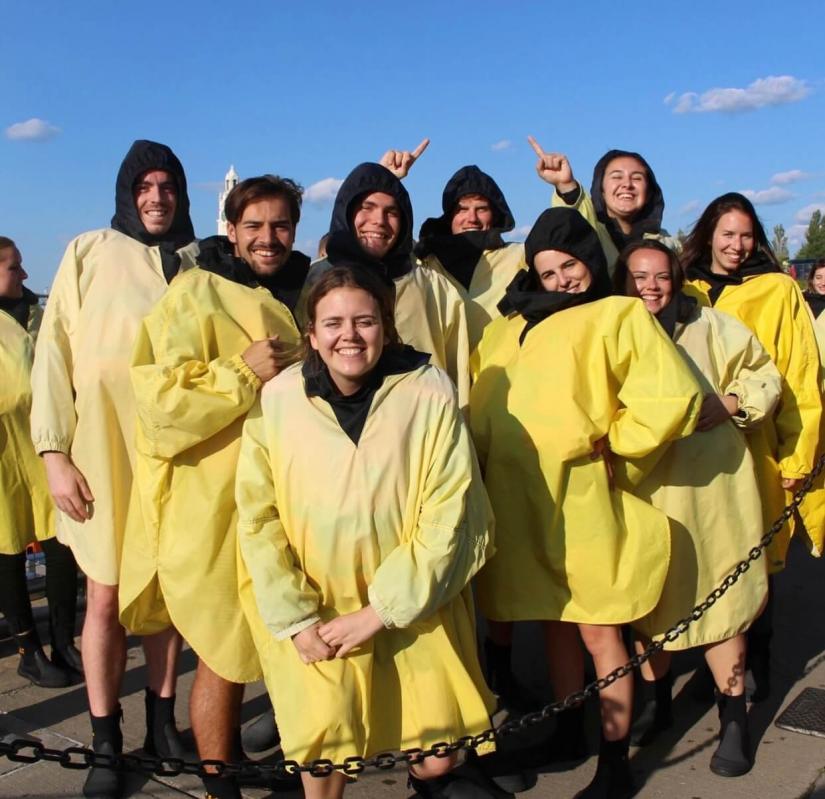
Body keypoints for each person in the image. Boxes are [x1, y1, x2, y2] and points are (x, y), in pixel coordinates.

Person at [236, 263, 497, 799]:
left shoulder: (427, 390)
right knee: (324, 756)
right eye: (332, 324)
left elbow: (448, 511)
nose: (349, 336)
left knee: (436, 754)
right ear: (311, 333)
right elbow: (257, 514)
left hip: (415, 600)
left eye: (364, 321)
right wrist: (296, 615)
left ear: (387, 326)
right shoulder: (281, 397)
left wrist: (382, 610)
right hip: (320, 610)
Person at [470, 207, 702, 798]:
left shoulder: (616, 314)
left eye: (570, 264)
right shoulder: (506, 327)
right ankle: (569, 730)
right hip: (519, 500)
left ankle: (616, 761)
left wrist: (616, 444)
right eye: (547, 270)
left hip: (583, 500)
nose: (562, 279)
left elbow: (669, 395)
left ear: (591, 261)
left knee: (601, 630)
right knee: (554, 622)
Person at [120, 175, 306, 799]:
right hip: (216, 503)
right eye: (253, 226)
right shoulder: (193, 293)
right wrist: (240, 372)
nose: (267, 238)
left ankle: (290, 760)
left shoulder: (309, 290)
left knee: (293, 639)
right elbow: (159, 402)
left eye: (280, 225)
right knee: (223, 653)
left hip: (295, 495)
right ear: (231, 229)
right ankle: (218, 781)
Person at [30, 140, 193, 798]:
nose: (157, 196)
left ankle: (162, 726)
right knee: (102, 597)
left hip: (173, 459)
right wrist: (53, 452)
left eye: (168, 185)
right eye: (145, 185)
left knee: (164, 600)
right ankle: (105, 737)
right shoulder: (87, 252)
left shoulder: (197, 263)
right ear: (129, 191)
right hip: (99, 454)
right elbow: (54, 354)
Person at [614, 239, 780, 775]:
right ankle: (658, 703)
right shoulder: (610, 330)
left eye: (661, 275)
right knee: (649, 601)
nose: (652, 287)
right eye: (639, 277)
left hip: (714, 489)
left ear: (676, 278)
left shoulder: (712, 325)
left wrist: (732, 401)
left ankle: (734, 718)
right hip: (644, 490)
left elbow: (764, 373)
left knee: (721, 598)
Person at [682, 193, 823, 700]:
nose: (737, 245)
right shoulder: (685, 288)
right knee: (708, 555)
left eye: (746, 235)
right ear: (708, 235)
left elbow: (801, 374)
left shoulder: (778, 291)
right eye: (727, 235)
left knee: (756, 558)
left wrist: (799, 455)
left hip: (754, 444)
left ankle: (755, 656)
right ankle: (717, 660)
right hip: (694, 451)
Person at [300, 161, 471, 408]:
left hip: (420, 422)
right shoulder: (312, 281)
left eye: (391, 212)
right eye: (366, 208)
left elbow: (457, 371)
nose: (379, 220)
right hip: (328, 425)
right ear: (347, 211)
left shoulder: (434, 286)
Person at [0, 238, 81, 688]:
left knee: (61, 544)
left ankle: (65, 640)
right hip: (4, 454)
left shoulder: (36, 315)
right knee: (8, 551)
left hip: (48, 449)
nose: (25, 276)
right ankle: (28, 648)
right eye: (15, 268)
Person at [412, 163, 526, 351]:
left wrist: (567, 191)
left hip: (502, 376)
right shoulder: (424, 264)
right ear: (449, 217)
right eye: (462, 209)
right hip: (442, 376)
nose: (471, 218)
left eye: (481, 209)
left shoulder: (519, 257)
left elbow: (574, 250)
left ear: (495, 215)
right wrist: (388, 178)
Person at [528, 136, 676, 270]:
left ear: (649, 192)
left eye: (637, 178)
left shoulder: (668, 247)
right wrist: (565, 185)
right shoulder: (590, 235)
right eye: (617, 177)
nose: (627, 184)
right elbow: (574, 219)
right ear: (602, 189)